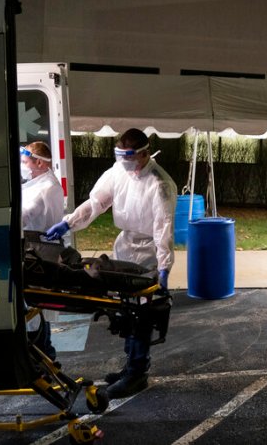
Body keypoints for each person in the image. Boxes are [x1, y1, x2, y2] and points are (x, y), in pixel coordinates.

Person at [45, 128, 176, 398]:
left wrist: (163, 269)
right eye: (120, 157)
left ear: (144, 153)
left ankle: (137, 373)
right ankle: (131, 366)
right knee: (126, 312)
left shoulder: (159, 183)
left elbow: (164, 229)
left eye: (128, 158)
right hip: (125, 247)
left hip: (149, 253)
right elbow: (96, 204)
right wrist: (68, 223)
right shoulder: (118, 172)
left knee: (142, 315)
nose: (124, 164)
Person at [20, 141, 64, 361]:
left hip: (39, 251)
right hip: (36, 248)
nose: (22, 165)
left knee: (35, 307)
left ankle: (43, 355)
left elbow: (24, 214)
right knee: (35, 307)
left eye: (25, 161)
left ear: (38, 162)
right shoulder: (38, 183)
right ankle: (43, 354)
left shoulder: (46, 187)